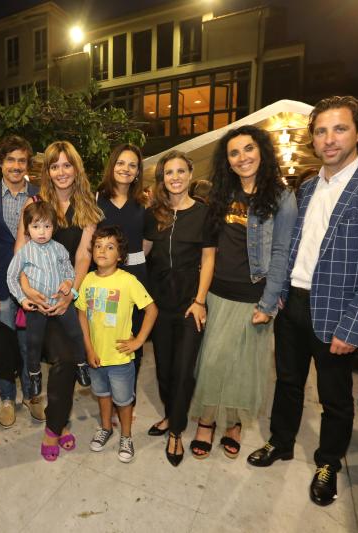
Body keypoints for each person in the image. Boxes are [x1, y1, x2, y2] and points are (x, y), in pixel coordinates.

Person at [246, 96, 358, 507]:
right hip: (293, 304)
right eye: (320, 131)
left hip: (340, 313)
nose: (329, 139)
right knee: (287, 382)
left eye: (339, 129)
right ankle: (281, 442)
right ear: (312, 140)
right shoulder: (308, 186)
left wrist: (353, 328)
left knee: (334, 397)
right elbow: (293, 246)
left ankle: (328, 462)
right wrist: (279, 295)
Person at [188, 126, 297, 461]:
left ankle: (233, 424)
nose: (242, 157)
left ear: (262, 151)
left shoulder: (281, 197)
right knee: (213, 362)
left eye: (248, 149)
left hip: (255, 297)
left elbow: (281, 253)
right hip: (220, 294)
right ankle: (206, 422)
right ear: (228, 161)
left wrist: (269, 303)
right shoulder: (221, 193)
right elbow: (210, 249)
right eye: (234, 152)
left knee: (244, 367)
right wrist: (201, 297)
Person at [15, 140, 103, 461]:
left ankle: (55, 425)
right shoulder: (34, 205)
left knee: (65, 362)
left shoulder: (89, 209)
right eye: (55, 166)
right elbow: (20, 253)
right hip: (39, 301)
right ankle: (58, 426)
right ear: (47, 171)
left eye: (67, 165)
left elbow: (83, 255)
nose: (61, 171)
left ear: (76, 168)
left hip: (70, 298)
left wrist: (72, 292)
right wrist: (27, 292)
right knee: (62, 362)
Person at [143, 150, 215, 467]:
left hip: (189, 303)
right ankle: (171, 415)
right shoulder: (153, 214)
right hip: (159, 304)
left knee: (184, 369)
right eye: (168, 172)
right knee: (163, 368)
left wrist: (200, 301)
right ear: (162, 178)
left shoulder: (203, 214)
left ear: (189, 174)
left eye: (180, 171)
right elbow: (141, 254)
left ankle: (176, 429)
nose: (175, 177)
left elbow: (208, 258)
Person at [77, 226, 157, 463]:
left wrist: (139, 340)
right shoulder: (88, 280)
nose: (102, 251)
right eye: (98, 246)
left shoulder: (128, 281)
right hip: (96, 357)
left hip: (121, 358)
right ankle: (105, 428)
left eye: (110, 247)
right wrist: (89, 348)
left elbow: (152, 309)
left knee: (123, 400)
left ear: (120, 256)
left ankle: (126, 435)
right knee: (102, 394)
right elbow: (82, 314)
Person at [0, 135, 42, 427]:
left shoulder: (41, 195)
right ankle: (7, 398)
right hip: (2, 286)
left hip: (35, 284)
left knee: (30, 344)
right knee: (5, 344)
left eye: (21, 160)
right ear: (1, 164)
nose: (16, 166)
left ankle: (32, 396)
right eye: (10, 160)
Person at [7, 202, 88, 402]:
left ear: (54, 227)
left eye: (47, 226)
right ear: (27, 229)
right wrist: (23, 298)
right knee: (34, 342)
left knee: (76, 333)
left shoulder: (59, 248)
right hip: (37, 306)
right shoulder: (25, 251)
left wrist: (69, 283)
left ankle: (82, 366)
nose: (41, 232)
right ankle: (34, 375)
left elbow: (70, 270)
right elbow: (11, 277)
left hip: (61, 303)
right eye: (35, 227)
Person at [96, 144, 148, 402]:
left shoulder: (144, 202)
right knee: (105, 335)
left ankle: (128, 398)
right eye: (121, 163)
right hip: (105, 278)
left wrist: (133, 263)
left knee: (132, 338)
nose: (126, 169)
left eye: (132, 165)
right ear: (112, 166)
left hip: (136, 276)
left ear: (138, 171)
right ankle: (108, 395)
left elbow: (147, 242)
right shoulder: (97, 199)